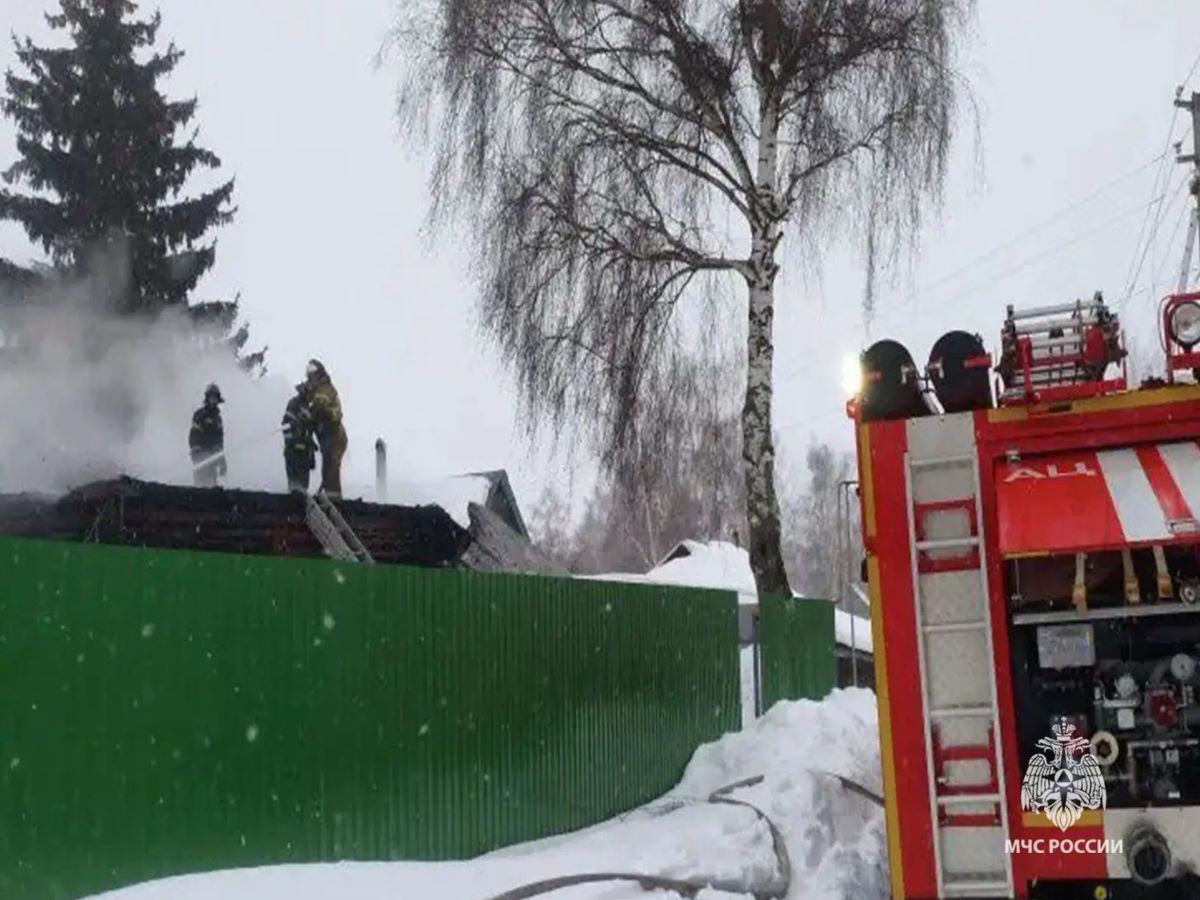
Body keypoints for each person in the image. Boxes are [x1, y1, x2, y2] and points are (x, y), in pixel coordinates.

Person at [305, 359, 348, 498]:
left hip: (336, 436)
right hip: (327, 438)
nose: (309, 381)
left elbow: (319, 407)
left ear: (318, 376)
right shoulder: (316, 390)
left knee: (331, 471)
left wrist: (308, 414)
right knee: (327, 469)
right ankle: (329, 496)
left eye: (311, 378)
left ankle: (335, 501)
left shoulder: (326, 389)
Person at [281, 381, 316, 493]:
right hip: (293, 451)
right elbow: (285, 426)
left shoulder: (310, 408)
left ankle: (302, 504)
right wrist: (292, 439)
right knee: (294, 484)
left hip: (305, 451)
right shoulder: (293, 404)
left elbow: (310, 431)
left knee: (303, 486)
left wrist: (312, 450)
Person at [189, 383, 226, 487]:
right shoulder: (200, 415)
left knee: (212, 486)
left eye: (215, 398)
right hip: (201, 456)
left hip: (213, 459)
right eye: (212, 397)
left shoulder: (218, 419)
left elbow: (220, 441)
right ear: (207, 398)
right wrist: (196, 449)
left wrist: (222, 460)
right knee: (201, 486)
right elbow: (194, 434)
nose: (214, 400)